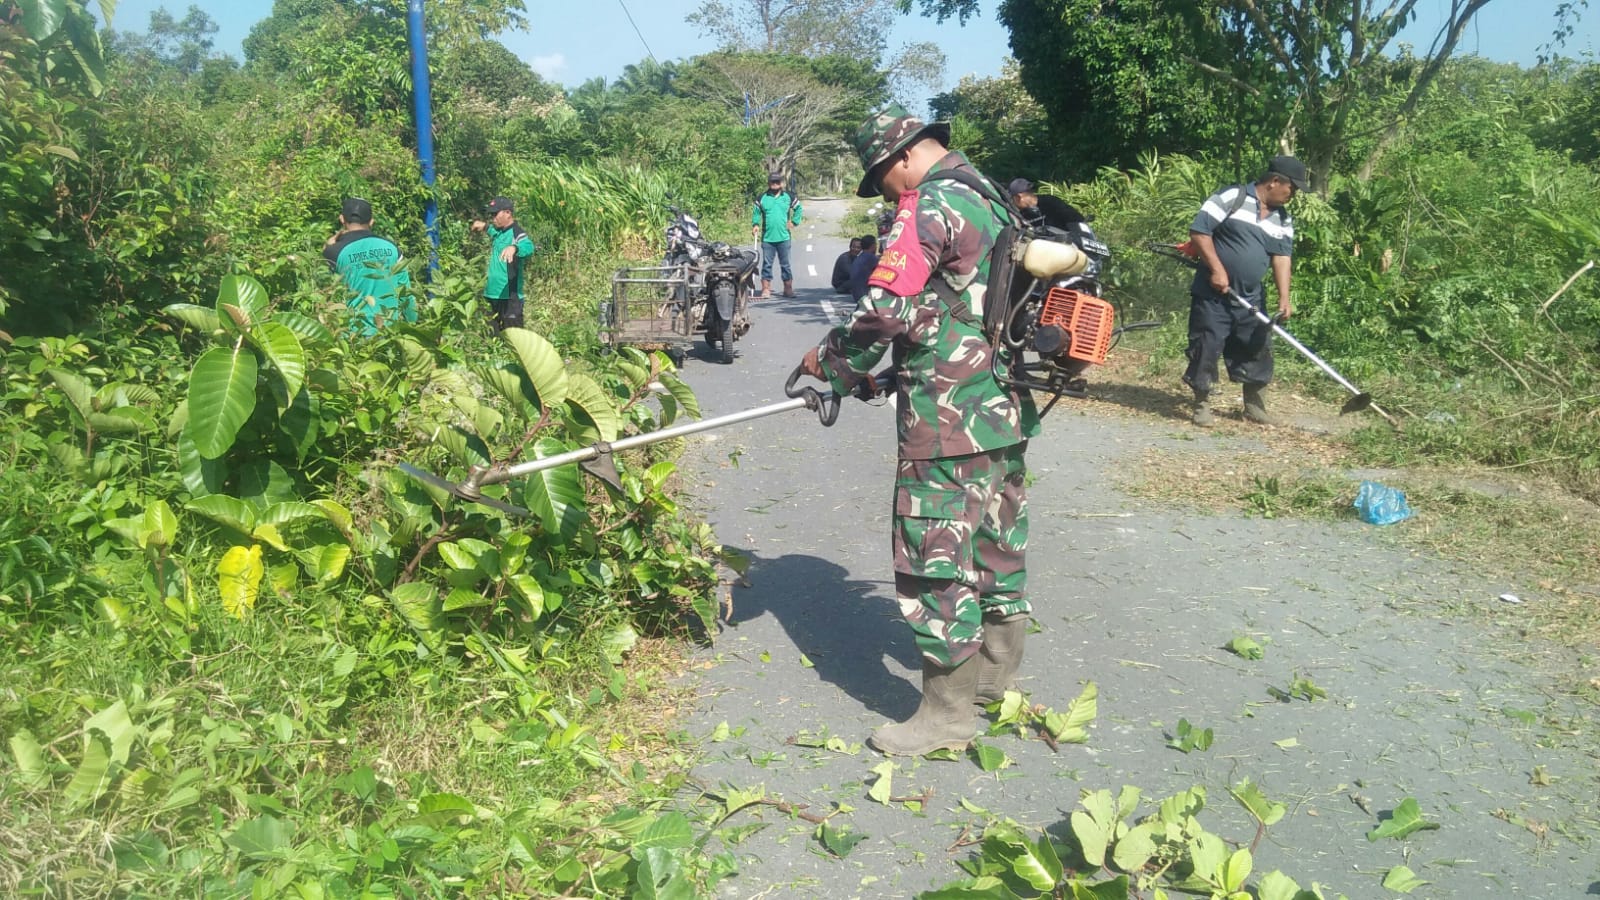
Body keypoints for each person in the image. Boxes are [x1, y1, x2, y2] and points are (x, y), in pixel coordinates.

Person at [798, 104, 1038, 757]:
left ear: (903, 156)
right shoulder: (993, 199)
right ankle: (994, 682)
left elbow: (884, 308)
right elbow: (951, 308)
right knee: (995, 544)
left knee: (935, 557)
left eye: (882, 177)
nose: (886, 190)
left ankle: (947, 715)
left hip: (949, 417)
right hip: (1006, 410)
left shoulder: (926, 204)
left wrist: (836, 361)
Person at [1183, 156, 1305, 427]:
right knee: (1207, 345)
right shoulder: (1232, 196)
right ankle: (1201, 402)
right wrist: (1216, 269)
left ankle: (1253, 405)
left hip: (1251, 297)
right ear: (1275, 181)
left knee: (1256, 346)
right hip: (1213, 294)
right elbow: (1200, 231)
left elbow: (1282, 258)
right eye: (1292, 188)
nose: (1293, 195)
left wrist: (1285, 298)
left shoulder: (1282, 219)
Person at [323, 197, 415, 336]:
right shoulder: (392, 248)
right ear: (371, 221)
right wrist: (414, 327)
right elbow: (406, 294)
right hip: (389, 335)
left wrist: (326, 248)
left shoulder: (333, 252)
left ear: (342, 219)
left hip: (352, 339)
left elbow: (325, 292)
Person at [470, 196, 535, 332]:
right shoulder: (499, 232)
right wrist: (483, 226)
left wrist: (514, 248)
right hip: (490, 296)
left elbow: (528, 246)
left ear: (508, 213)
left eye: (495, 214)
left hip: (509, 299)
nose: (493, 218)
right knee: (491, 340)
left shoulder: (517, 233)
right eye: (491, 214)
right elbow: (491, 230)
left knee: (514, 340)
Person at [751, 171, 803, 298]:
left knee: (785, 265)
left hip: (784, 237)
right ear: (769, 183)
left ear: (781, 183)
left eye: (777, 182)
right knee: (767, 265)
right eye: (772, 182)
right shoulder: (762, 197)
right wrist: (755, 224)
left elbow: (798, 208)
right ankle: (766, 289)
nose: (775, 184)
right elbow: (756, 213)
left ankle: (788, 288)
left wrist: (794, 222)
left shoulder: (789, 197)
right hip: (768, 238)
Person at [1006, 178, 1087, 230]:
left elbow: (1076, 219)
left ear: (1019, 197)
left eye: (1013, 199)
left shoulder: (1051, 202)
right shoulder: (1020, 215)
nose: (1013, 203)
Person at [847, 233, 878, 302]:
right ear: (873, 245)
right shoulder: (871, 258)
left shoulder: (860, 257)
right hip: (864, 296)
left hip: (856, 295)